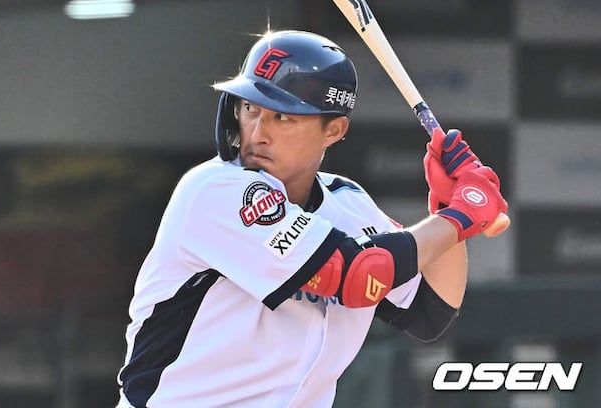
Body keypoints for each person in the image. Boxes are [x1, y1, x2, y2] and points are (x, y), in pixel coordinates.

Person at [115, 30, 508, 408]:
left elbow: (429, 311)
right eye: (251, 109)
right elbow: (356, 275)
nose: (258, 133)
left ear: (334, 130)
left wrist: (446, 208)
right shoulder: (215, 190)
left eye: (282, 117)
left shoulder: (348, 202)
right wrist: (462, 215)